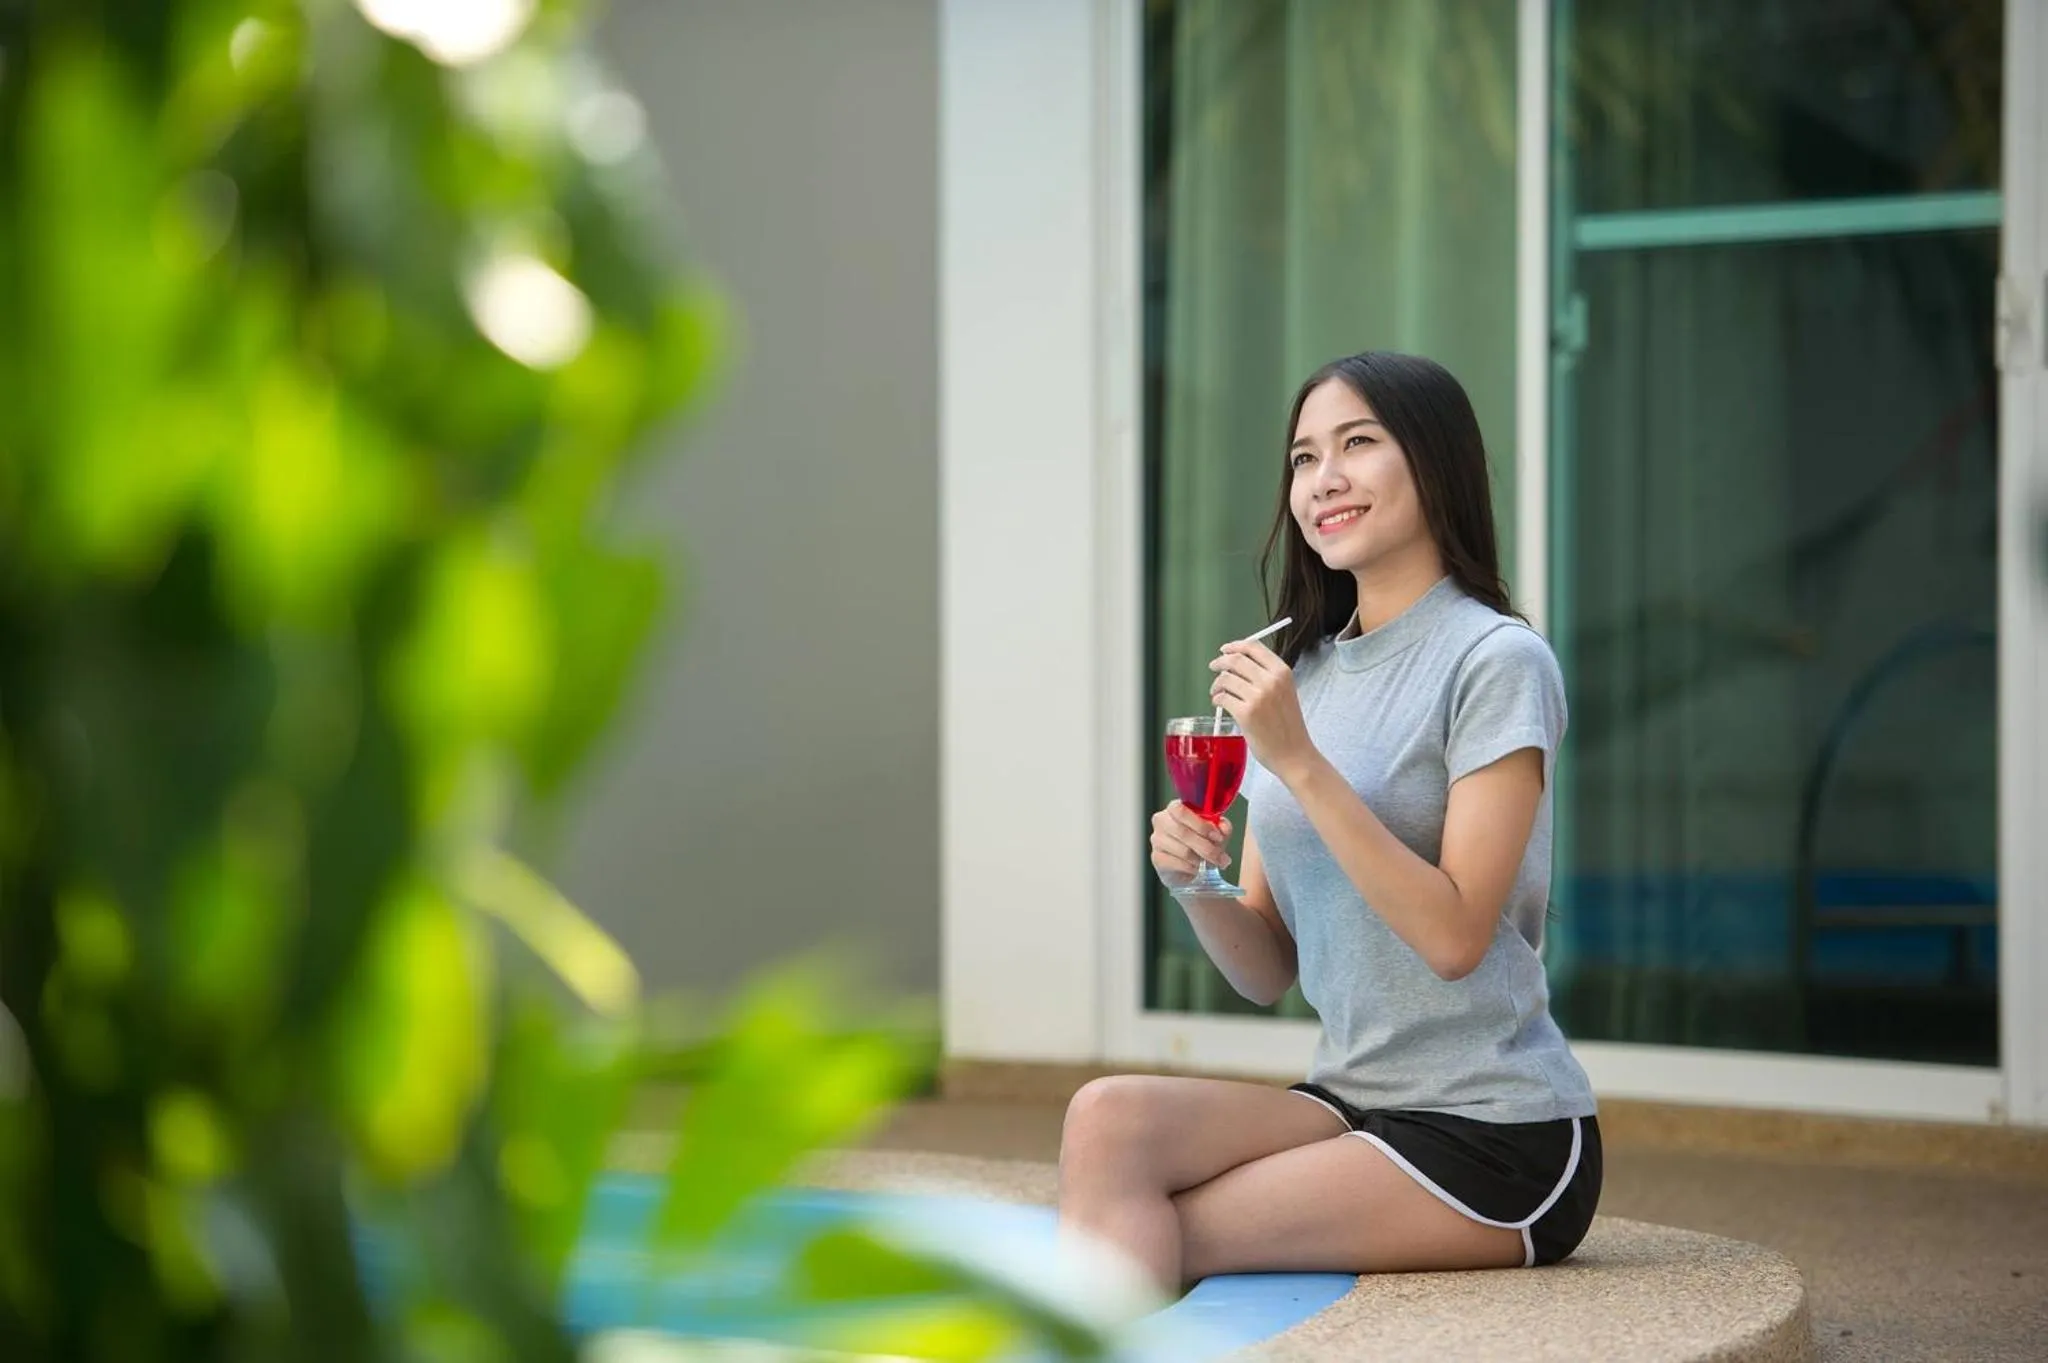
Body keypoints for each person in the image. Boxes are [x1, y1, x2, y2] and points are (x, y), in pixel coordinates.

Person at [1058, 351, 1600, 1295]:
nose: (1324, 480)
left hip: (1493, 1129)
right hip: (1350, 1100)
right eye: (1305, 458)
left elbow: (1456, 935)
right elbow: (1266, 968)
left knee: (1158, 1228)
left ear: (1435, 465)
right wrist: (1198, 881)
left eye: (1358, 444)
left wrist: (1299, 762)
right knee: (1106, 1119)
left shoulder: (1496, 660)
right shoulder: (1301, 675)